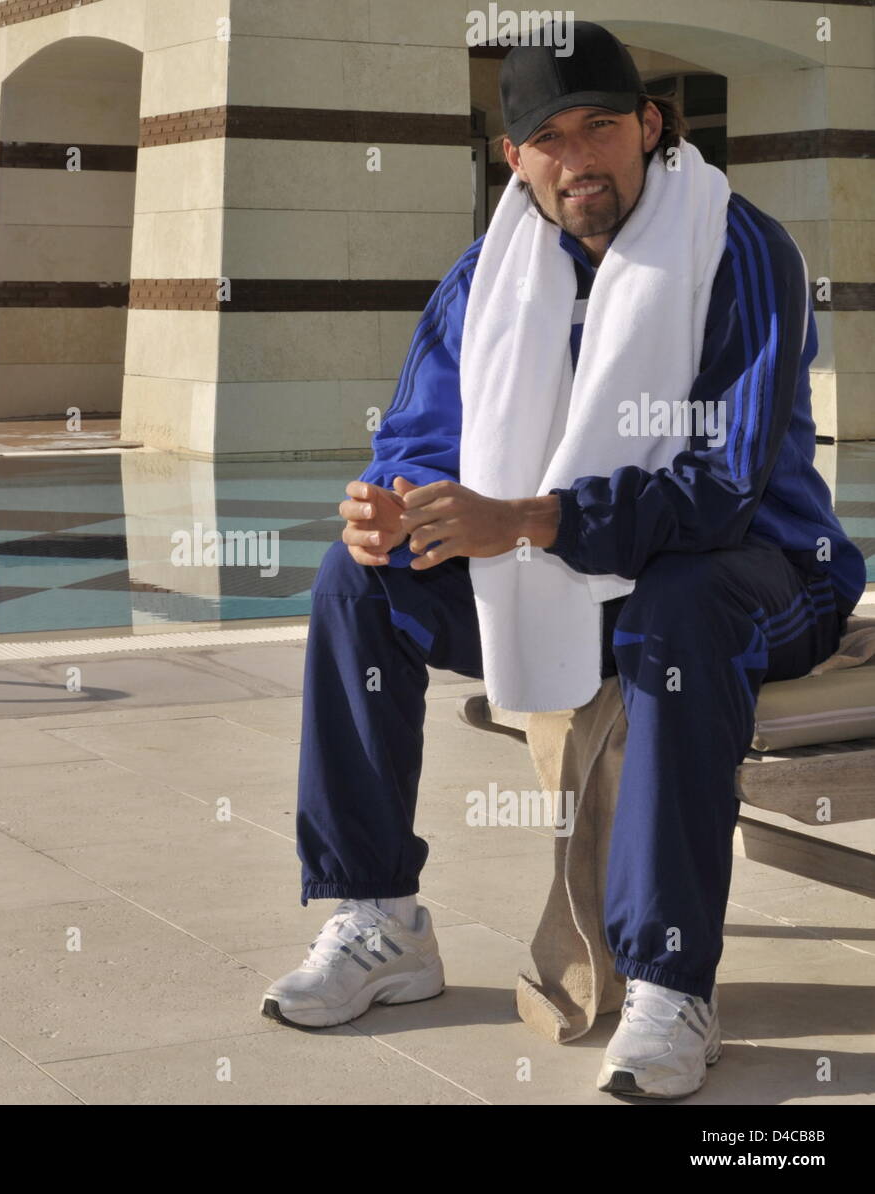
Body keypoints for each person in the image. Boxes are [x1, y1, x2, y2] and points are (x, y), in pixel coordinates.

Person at [259, 21, 864, 1100]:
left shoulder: (739, 247)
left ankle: (669, 983)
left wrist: (530, 520)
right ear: (514, 159)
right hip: (564, 573)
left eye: (600, 126)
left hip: (765, 573)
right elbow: (419, 439)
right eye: (549, 136)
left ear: (649, 126)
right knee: (354, 585)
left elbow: (723, 491)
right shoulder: (487, 276)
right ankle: (380, 918)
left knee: (675, 611)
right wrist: (394, 511)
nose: (579, 158)